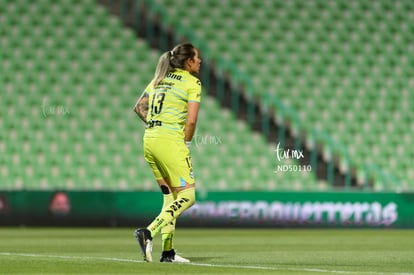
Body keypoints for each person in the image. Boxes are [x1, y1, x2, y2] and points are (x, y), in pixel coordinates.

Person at [133, 43, 202, 263]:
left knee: (170, 196)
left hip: (150, 139)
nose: (200, 61)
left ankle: (168, 253)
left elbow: (139, 107)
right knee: (188, 196)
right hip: (170, 142)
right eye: (197, 58)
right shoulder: (192, 83)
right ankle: (148, 232)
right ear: (188, 61)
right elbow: (191, 120)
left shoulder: (159, 80)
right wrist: (187, 143)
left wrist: (157, 123)